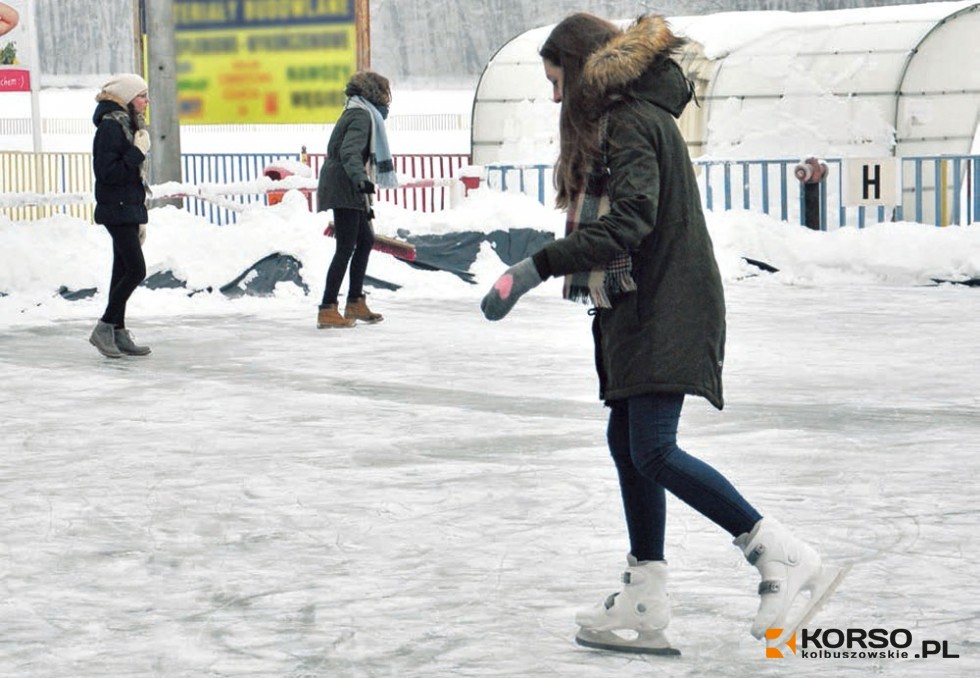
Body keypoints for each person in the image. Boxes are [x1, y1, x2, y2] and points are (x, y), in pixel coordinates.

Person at [480, 14, 845, 655]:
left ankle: (779, 554)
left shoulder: (629, 123)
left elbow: (630, 222)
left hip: (666, 305)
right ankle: (647, 591)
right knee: (628, 441)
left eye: (557, 81)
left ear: (583, 69)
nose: (554, 98)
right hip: (642, 305)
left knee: (651, 447)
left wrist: (536, 266)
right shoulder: (632, 119)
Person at [315, 70, 398, 329]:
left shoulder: (360, 112)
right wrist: (360, 180)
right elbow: (349, 151)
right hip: (344, 184)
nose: (387, 99)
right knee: (346, 246)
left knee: (365, 240)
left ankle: (355, 301)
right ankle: (328, 308)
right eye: (385, 94)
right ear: (373, 94)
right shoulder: (362, 115)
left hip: (347, 183)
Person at [88, 73, 152, 358]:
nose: (146, 102)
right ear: (127, 98)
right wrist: (137, 152)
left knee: (121, 270)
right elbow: (108, 173)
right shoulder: (111, 128)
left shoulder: (127, 125)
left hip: (126, 207)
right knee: (136, 270)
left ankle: (118, 330)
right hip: (117, 208)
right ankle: (104, 327)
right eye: (141, 96)